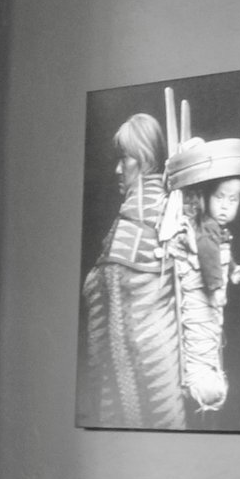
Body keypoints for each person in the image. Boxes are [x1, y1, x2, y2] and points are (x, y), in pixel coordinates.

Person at [79, 112, 187, 429]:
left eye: (124, 159)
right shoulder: (141, 210)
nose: (118, 168)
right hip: (133, 379)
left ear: (143, 158)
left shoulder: (153, 211)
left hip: (150, 377)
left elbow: (127, 306)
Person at [164, 134, 240, 417]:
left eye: (233, 199)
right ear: (206, 198)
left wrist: (233, 268)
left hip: (215, 299)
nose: (226, 206)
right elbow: (206, 253)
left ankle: (205, 376)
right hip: (207, 295)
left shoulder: (218, 228)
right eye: (220, 197)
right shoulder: (206, 228)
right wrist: (216, 285)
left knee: (211, 331)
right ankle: (201, 381)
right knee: (203, 329)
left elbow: (220, 254)